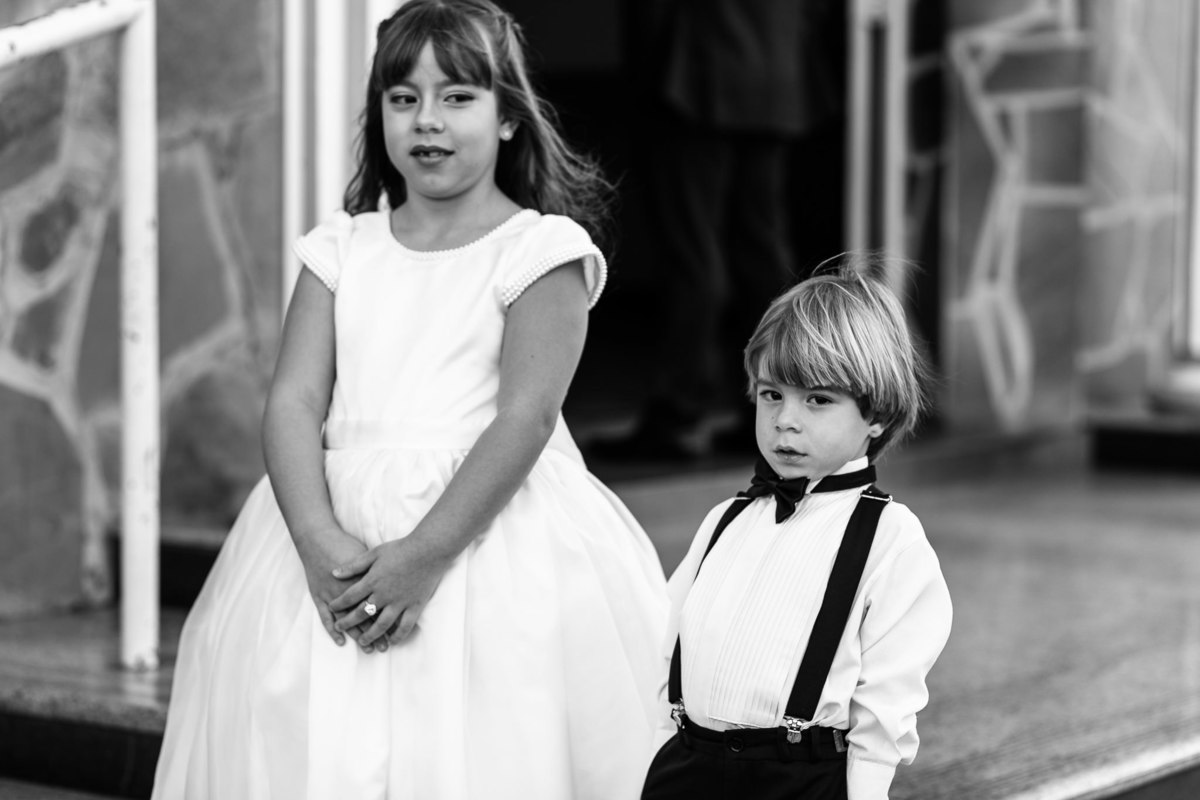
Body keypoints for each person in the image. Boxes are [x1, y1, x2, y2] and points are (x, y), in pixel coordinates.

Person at [152, 2, 669, 798]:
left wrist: (426, 556)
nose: (427, 119)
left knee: (479, 746)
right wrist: (318, 542)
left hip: (483, 537)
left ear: (508, 118)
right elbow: (293, 402)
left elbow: (526, 416)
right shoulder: (341, 249)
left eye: (458, 97)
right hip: (332, 539)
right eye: (404, 98)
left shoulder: (540, 252)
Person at [640, 260, 952, 800]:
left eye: (818, 399)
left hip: (797, 779)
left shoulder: (889, 539)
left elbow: (888, 700)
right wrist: (658, 754)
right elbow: (669, 650)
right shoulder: (727, 519)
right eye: (771, 395)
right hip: (688, 768)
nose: (785, 419)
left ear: (876, 414)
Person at [591, 0, 843, 460]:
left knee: (693, 253)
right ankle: (771, 408)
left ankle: (681, 410)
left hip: (694, 73)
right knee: (761, 250)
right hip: (773, 71)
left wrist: (651, 70)